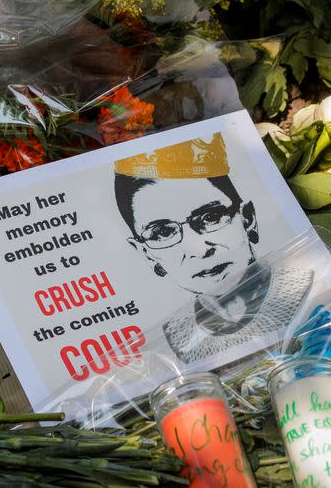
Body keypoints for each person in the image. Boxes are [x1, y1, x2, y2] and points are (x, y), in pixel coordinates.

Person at [114, 133, 313, 364]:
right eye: (161, 233)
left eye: (210, 217)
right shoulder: (172, 344)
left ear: (247, 219)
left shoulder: (311, 292)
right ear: (147, 254)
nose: (199, 249)